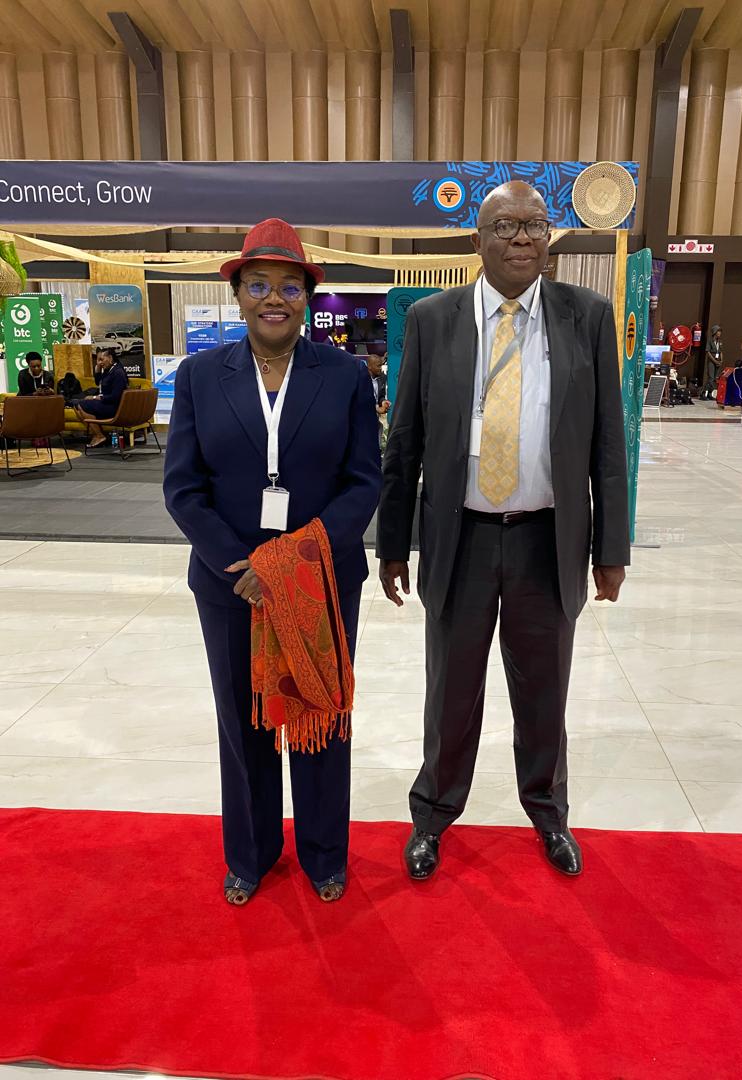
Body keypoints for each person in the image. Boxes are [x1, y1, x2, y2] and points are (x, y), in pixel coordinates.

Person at [377, 180, 630, 881]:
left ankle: (549, 816)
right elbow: (406, 444)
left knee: (544, 694)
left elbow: (609, 444)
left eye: (535, 225)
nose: (523, 237)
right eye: (506, 226)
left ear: (548, 239)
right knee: (450, 693)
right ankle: (431, 816)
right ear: (477, 241)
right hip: (458, 541)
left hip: (546, 544)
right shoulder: (434, 319)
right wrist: (392, 543)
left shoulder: (587, 316)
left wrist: (611, 549)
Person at [163, 218, 381, 906]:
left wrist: (293, 563)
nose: (274, 298)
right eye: (259, 284)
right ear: (238, 294)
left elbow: (363, 482)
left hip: (321, 579)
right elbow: (182, 487)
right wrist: (241, 566)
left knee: (319, 713)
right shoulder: (201, 375)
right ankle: (251, 854)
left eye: (289, 285)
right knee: (245, 719)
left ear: (308, 296)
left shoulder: (344, 375)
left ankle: (323, 854)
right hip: (231, 587)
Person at [76, 347, 129, 447]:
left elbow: (115, 397)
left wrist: (96, 398)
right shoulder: (109, 370)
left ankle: (99, 435)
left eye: (101, 359)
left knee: (82, 404)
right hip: (107, 403)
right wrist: (97, 370)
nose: (99, 362)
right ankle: (97, 435)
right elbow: (98, 383)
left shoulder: (118, 372)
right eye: (98, 360)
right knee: (77, 405)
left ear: (110, 358)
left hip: (114, 407)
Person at [366, 352, 390, 445]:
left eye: (381, 365)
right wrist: (377, 408)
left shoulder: (382, 378)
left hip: (374, 417)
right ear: (369, 366)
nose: (381, 368)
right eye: (378, 366)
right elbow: (363, 400)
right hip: (363, 417)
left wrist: (383, 402)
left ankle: (378, 452)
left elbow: (380, 396)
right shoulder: (362, 379)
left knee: (379, 428)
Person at [703, 325, 723, 396]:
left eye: (720, 331)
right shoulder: (710, 341)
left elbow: (720, 352)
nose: (720, 333)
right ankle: (704, 393)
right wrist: (714, 361)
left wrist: (721, 361)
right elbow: (708, 352)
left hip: (718, 361)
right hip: (711, 361)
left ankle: (710, 394)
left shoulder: (719, 341)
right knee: (711, 378)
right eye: (718, 331)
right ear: (715, 332)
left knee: (715, 378)